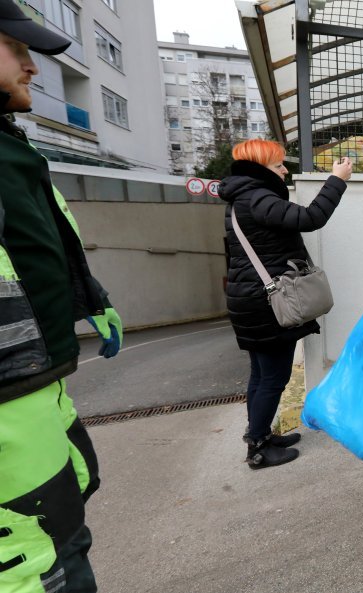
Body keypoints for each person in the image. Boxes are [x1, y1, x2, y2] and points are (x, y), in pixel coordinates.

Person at [0, 3, 123, 591]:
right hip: (9, 407)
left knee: (67, 535)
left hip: (36, 391)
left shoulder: (11, 149)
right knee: (37, 567)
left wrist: (89, 297)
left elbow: (44, 239)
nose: (33, 68)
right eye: (17, 50)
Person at [219, 139, 351, 469]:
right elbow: (310, 217)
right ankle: (259, 448)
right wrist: (337, 180)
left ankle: (260, 435)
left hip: (251, 299)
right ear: (260, 168)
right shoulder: (258, 197)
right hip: (264, 304)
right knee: (273, 378)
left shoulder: (242, 198)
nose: (283, 169)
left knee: (260, 376)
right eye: (277, 165)